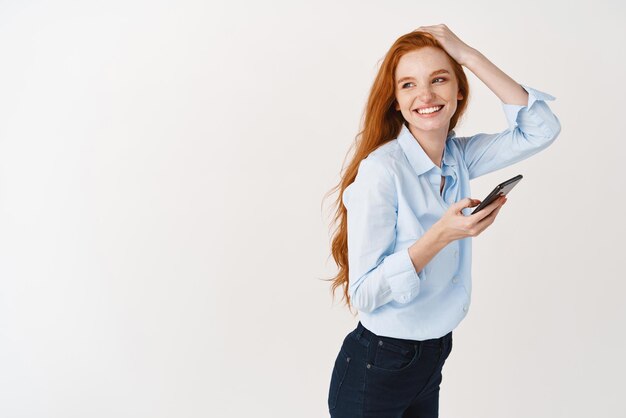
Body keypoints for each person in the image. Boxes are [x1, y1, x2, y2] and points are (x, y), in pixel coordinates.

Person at [324, 24, 561, 417]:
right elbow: (364, 293)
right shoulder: (382, 172)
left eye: (439, 79)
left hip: (431, 358)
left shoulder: (459, 157)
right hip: (377, 366)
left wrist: (469, 55)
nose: (426, 95)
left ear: (459, 91)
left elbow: (541, 129)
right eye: (408, 86)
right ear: (396, 103)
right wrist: (441, 236)